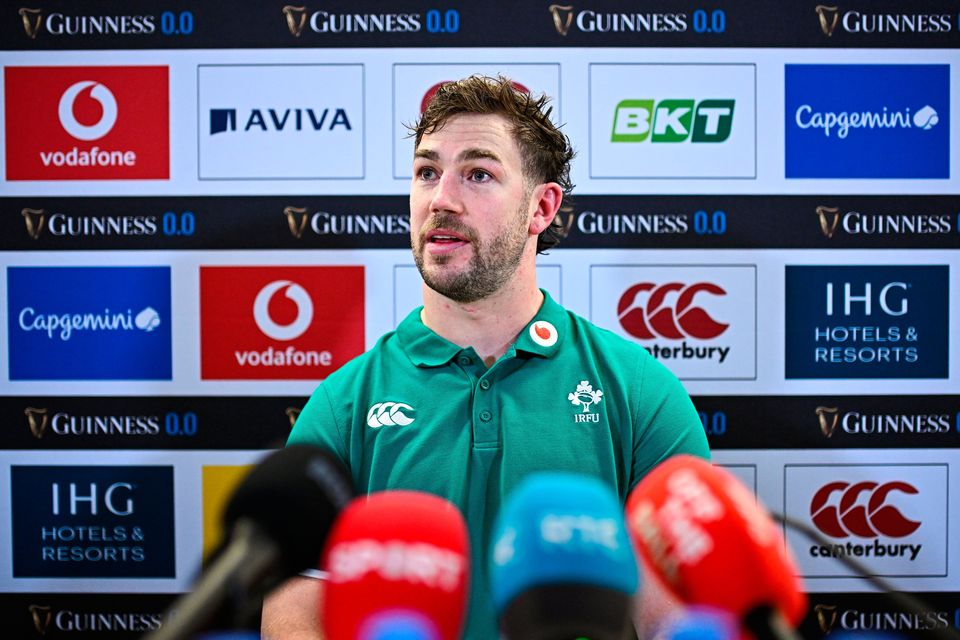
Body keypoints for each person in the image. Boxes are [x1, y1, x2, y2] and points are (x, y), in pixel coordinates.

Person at [262, 75, 710, 639]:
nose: (441, 199)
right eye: (427, 172)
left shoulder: (639, 392)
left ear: (541, 207)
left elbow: (679, 616)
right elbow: (294, 608)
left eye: (478, 174)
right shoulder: (344, 403)